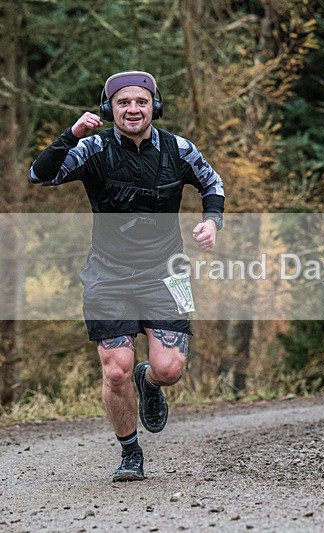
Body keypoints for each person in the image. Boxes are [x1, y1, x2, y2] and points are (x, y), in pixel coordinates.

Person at [29, 70, 225, 482]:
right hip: (107, 275)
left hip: (167, 271)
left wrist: (212, 221)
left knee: (169, 368)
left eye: (140, 101)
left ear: (154, 105)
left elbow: (212, 182)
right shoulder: (93, 148)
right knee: (115, 368)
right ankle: (130, 452)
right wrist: (70, 134)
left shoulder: (178, 148)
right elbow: (40, 175)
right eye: (123, 102)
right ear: (109, 108)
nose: (132, 109)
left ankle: (149, 383)